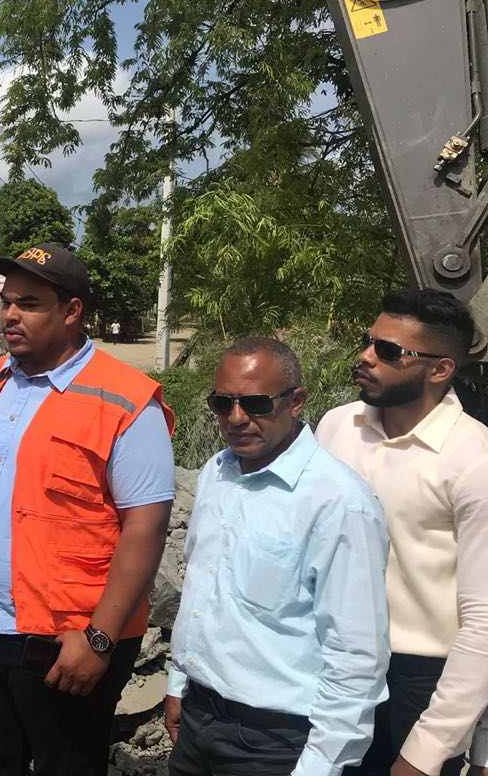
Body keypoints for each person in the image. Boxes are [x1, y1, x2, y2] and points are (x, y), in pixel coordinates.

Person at [0, 243, 176, 776]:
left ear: (72, 311)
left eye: (30, 303)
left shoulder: (127, 401)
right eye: (8, 301)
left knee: (68, 766)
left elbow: (146, 529)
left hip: (65, 640)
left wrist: (100, 639)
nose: (10, 314)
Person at [165, 337, 391, 776]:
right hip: (199, 720)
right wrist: (180, 681)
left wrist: (320, 765)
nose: (236, 418)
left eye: (255, 403)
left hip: (276, 743)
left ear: (297, 401)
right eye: (221, 402)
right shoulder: (218, 472)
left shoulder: (337, 503)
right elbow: (201, 590)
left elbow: (357, 655)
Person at [317, 289, 488, 776]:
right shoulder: (336, 427)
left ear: (440, 369)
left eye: (389, 351)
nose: (365, 357)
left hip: (417, 681)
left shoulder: (473, 461)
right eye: (368, 341)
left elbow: (483, 621)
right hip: (329, 665)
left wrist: (428, 750)